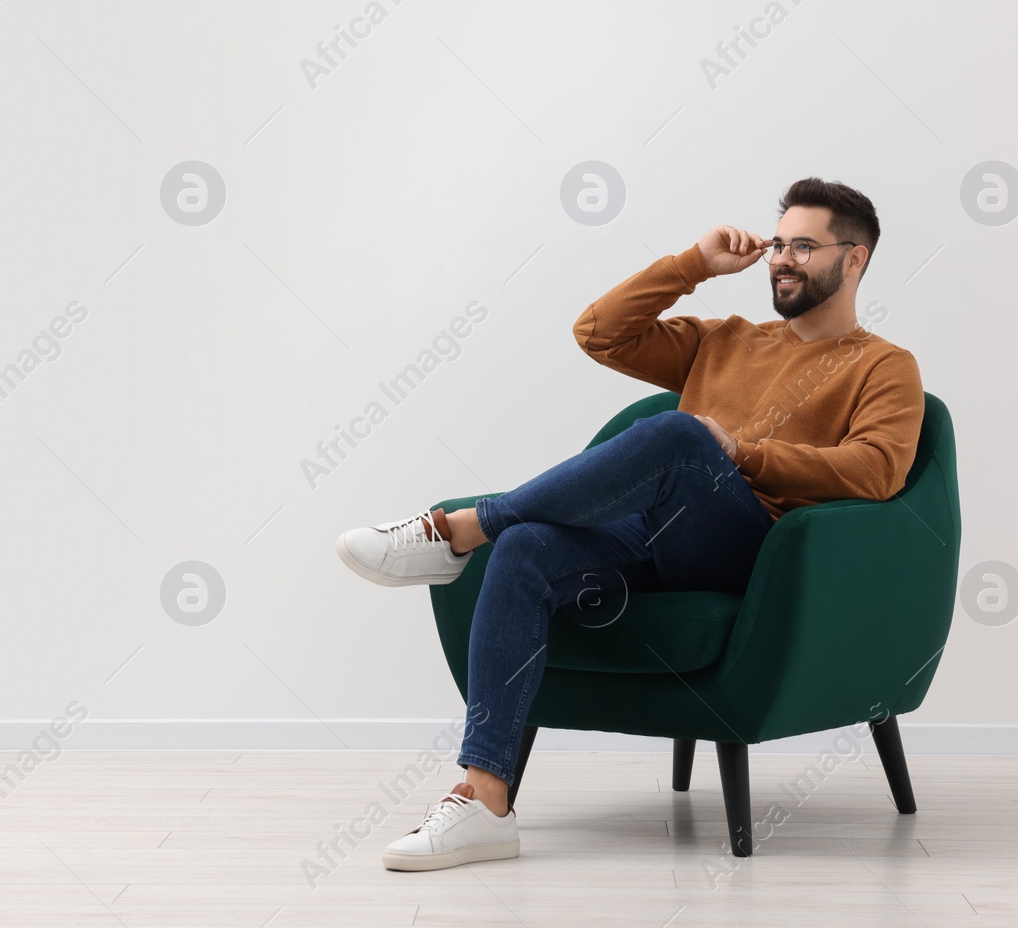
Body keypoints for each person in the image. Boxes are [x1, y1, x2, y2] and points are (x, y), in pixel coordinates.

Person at [335, 177, 925, 871]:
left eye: (805, 245)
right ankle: (485, 800)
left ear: (854, 260)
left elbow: (876, 469)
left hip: (758, 554)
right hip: (652, 536)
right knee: (525, 549)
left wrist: (741, 452)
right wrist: (694, 265)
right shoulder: (728, 340)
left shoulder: (884, 365)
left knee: (678, 437)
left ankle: (458, 529)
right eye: (778, 244)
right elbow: (599, 331)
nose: (782, 259)